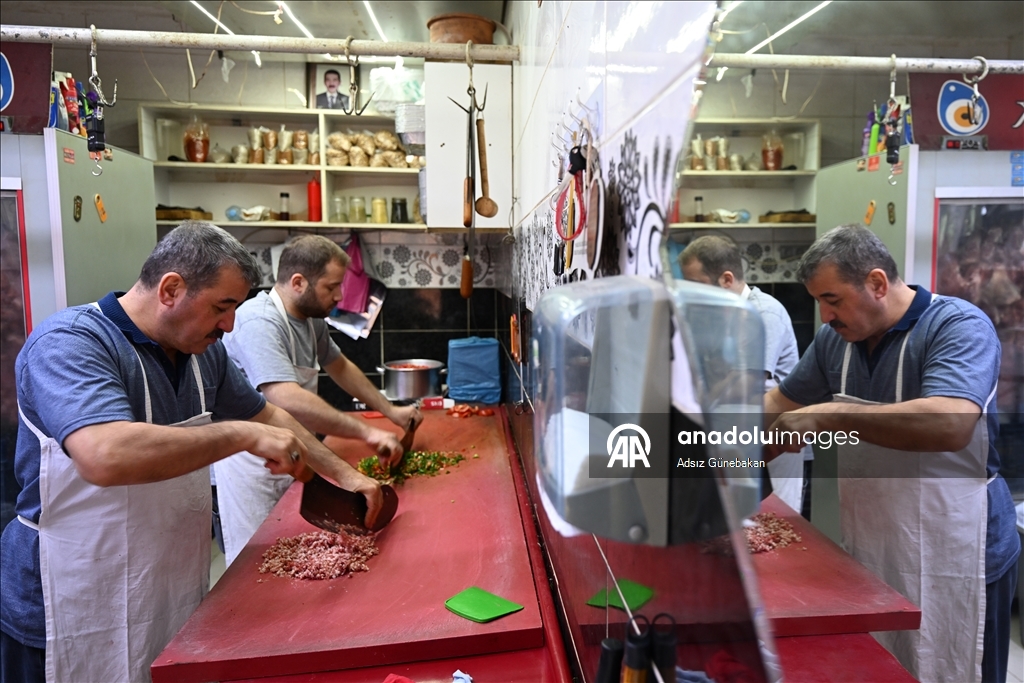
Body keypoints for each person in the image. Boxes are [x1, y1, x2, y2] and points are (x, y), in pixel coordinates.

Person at [0, 222, 383, 683]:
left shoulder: (205, 354)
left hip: (166, 586)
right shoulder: (71, 343)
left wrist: (348, 476)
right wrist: (239, 436)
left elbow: (271, 417)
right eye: (223, 307)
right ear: (171, 289)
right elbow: (105, 454)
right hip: (66, 601)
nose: (230, 325)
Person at [764, 224, 1019, 683]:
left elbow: (951, 421)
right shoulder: (834, 341)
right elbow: (779, 405)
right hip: (876, 540)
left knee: (960, 666)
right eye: (819, 302)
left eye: (833, 299)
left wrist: (830, 416)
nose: (824, 316)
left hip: (959, 547)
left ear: (877, 283)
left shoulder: (956, 325)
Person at [217, 235, 420, 566]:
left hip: (296, 452)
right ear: (298, 282)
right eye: (332, 286)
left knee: (301, 557)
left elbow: (339, 366)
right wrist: (367, 432)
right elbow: (285, 397)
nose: (340, 296)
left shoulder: (311, 320)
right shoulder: (258, 320)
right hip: (253, 465)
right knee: (258, 566)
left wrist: (390, 411)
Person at [679, 235, 806, 513]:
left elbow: (743, 384)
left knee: (777, 525)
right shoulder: (719, 316)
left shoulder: (763, 314)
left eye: (696, 285)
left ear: (726, 279)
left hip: (775, 442)